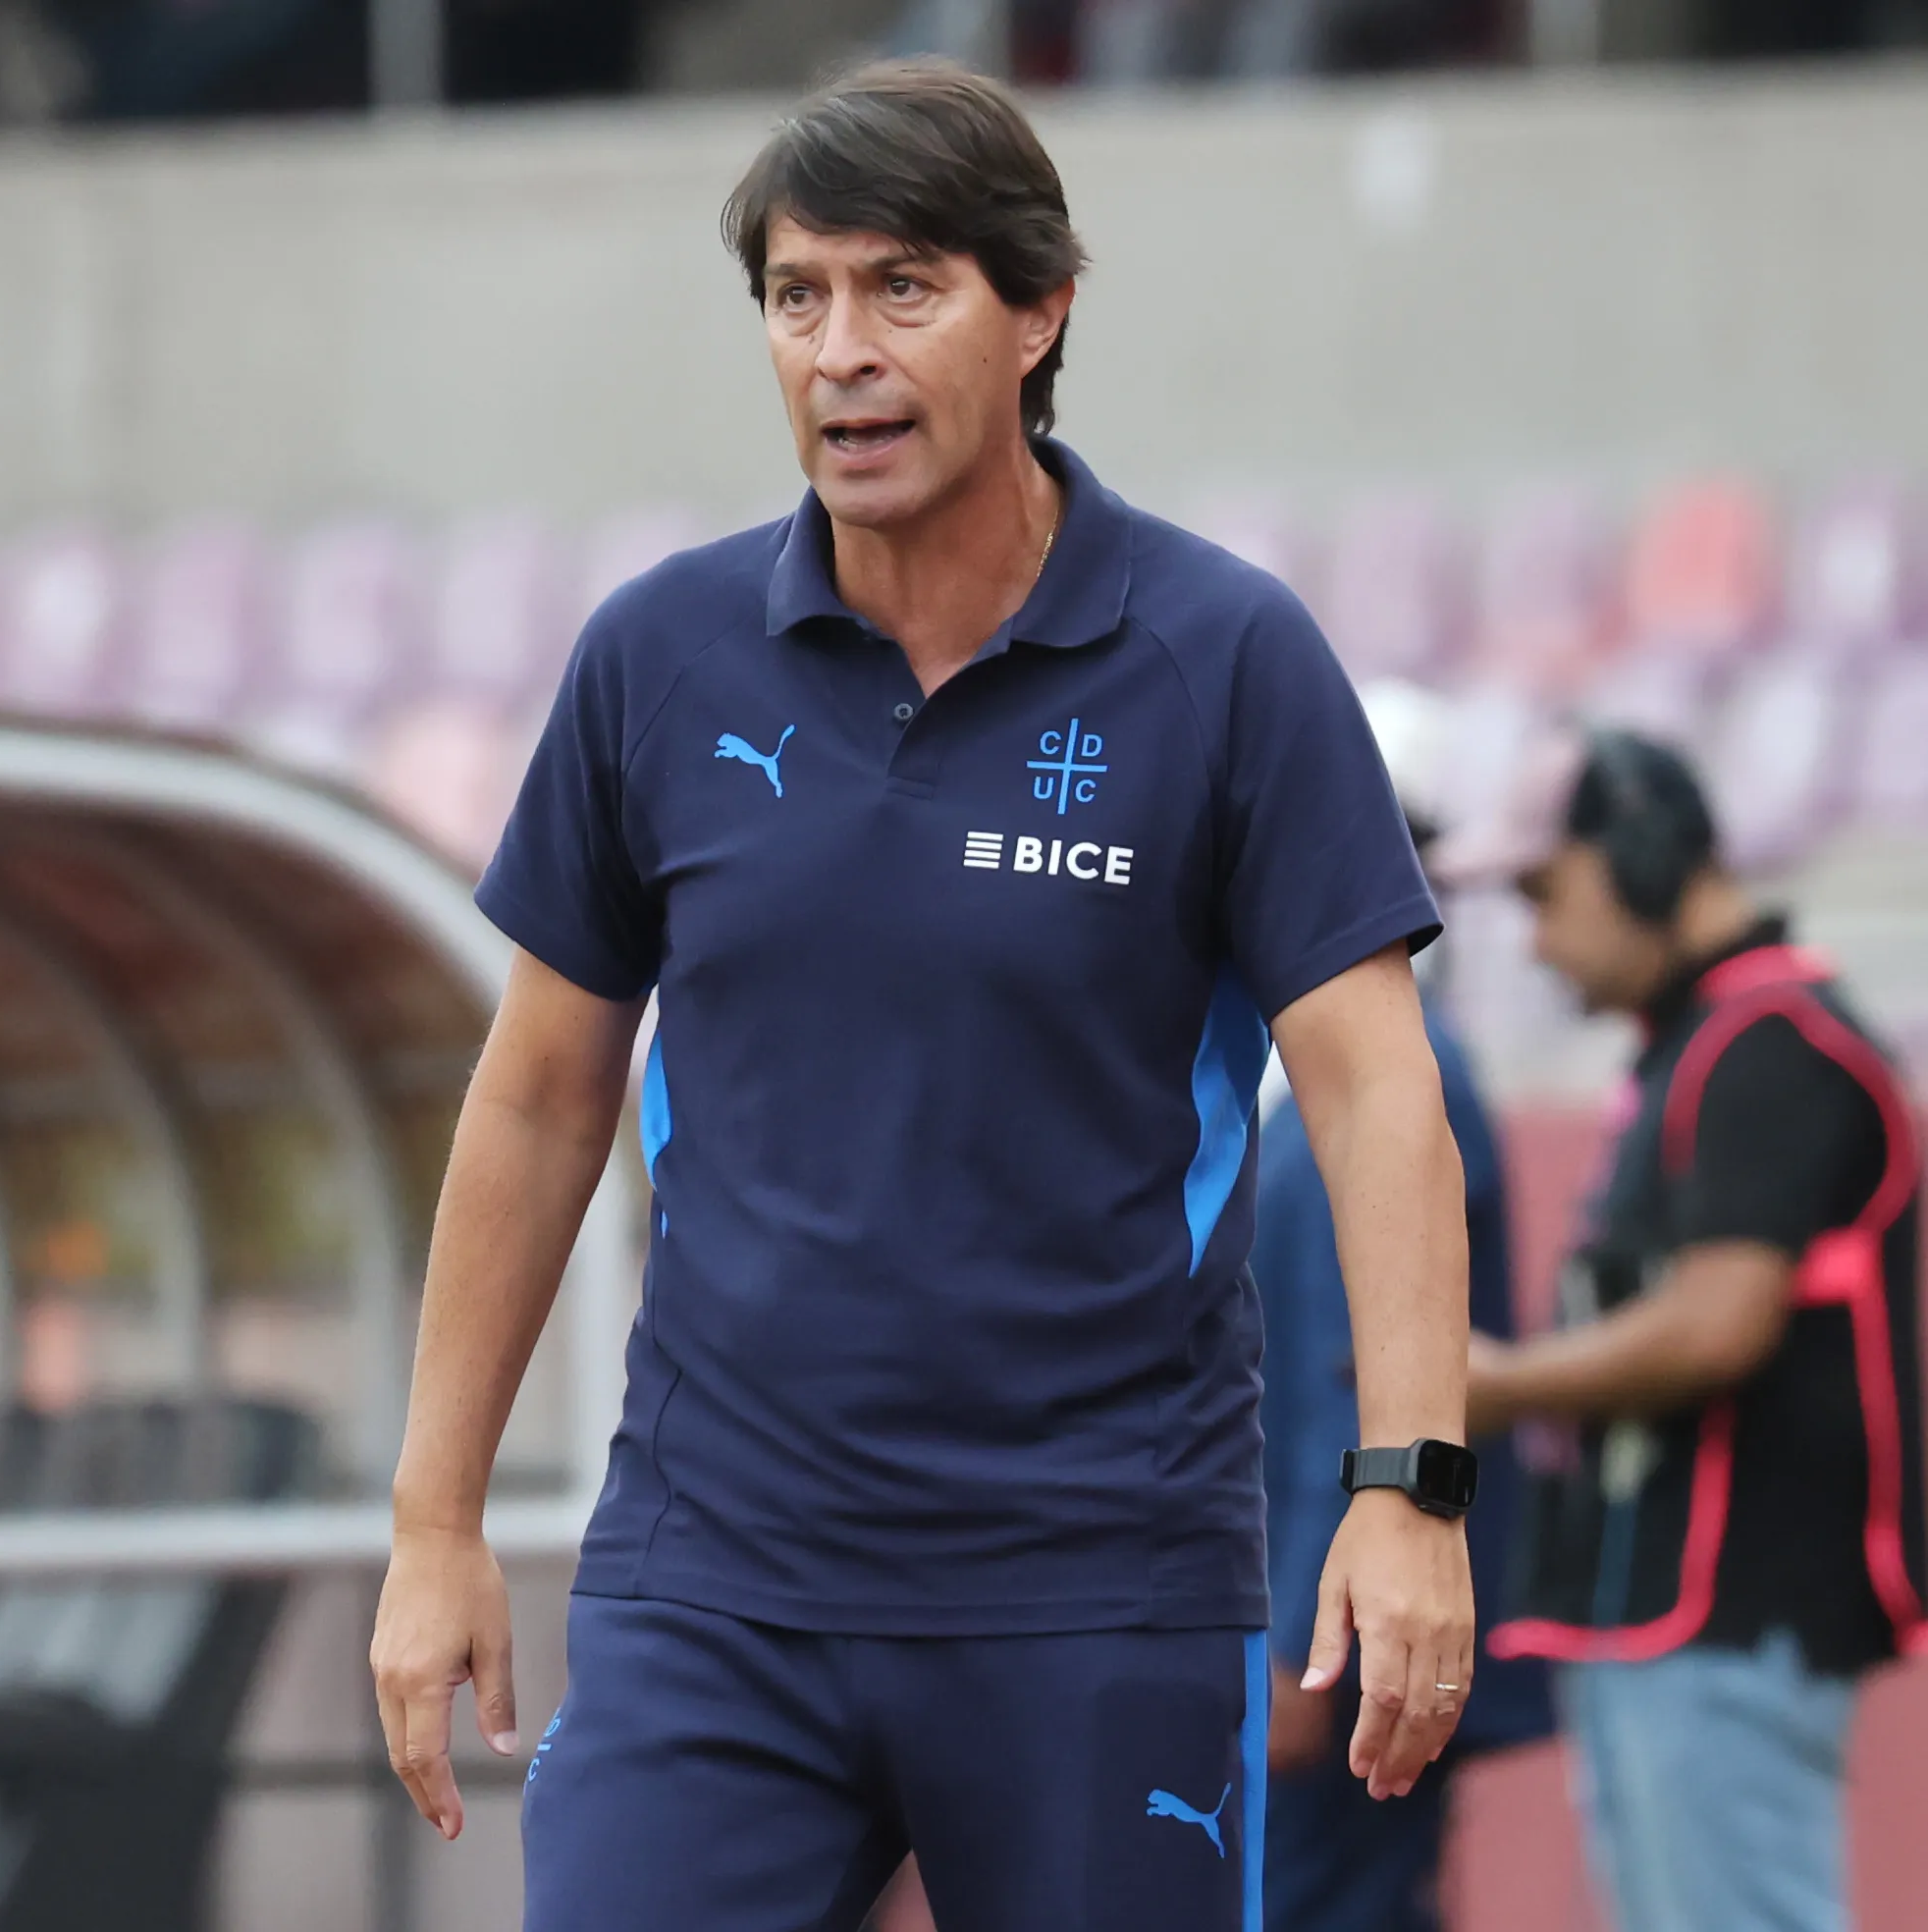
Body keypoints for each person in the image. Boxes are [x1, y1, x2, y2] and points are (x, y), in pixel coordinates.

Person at [369, 58, 1478, 1932]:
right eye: (796, 297)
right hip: (712, 1582)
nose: (840, 351)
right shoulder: (658, 654)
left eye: (903, 288)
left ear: (1039, 311)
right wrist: (430, 1521)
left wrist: (1408, 1490)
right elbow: (541, 1093)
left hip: (1093, 1586)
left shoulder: (1223, 661)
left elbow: (1375, 1095)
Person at [1459, 732, 1922, 1932]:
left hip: (1729, 1612)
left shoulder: (1772, 1041)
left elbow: (1719, 1325)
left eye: (1543, 893)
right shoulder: (1705, 1043)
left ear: (1647, 859)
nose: (1536, 938)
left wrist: (1498, 1386)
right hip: (1663, 1612)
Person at [1258, 682, 1552, 1932]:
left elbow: (1352, 1376)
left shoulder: (1395, 1094)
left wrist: (1296, 1649)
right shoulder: (1369, 1080)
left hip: (1334, 1636)